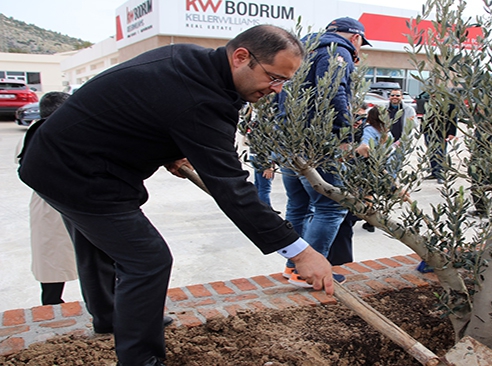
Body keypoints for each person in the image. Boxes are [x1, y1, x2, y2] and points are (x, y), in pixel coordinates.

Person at [17, 25, 334, 366]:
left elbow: (141, 108)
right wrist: (299, 251)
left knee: (99, 246)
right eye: (274, 77)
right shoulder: (199, 96)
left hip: (62, 157)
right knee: (148, 261)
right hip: (76, 172)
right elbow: (232, 188)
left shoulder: (190, 60)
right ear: (242, 57)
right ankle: (140, 359)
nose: (277, 89)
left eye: (284, 81)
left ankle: (111, 318)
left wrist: (171, 148)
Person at [279, 17, 371, 286]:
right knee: (330, 208)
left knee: (298, 205)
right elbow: (334, 91)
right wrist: (344, 133)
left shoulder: (301, 50)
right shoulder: (337, 50)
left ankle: (291, 266)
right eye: (361, 44)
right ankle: (306, 272)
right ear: (355, 37)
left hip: (290, 140)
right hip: (318, 142)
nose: (360, 51)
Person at [14, 92, 78, 305]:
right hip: (53, 202)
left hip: (55, 200)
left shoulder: (33, 132)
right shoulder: (42, 133)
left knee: (54, 255)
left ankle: (52, 304)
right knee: (53, 257)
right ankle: (51, 308)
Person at [422, 97, 457, 184]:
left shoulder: (450, 105)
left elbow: (453, 118)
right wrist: (423, 130)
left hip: (442, 132)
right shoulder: (429, 103)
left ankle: (441, 174)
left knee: (440, 153)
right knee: (431, 152)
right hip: (429, 131)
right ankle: (434, 172)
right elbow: (425, 116)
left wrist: (452, 133)